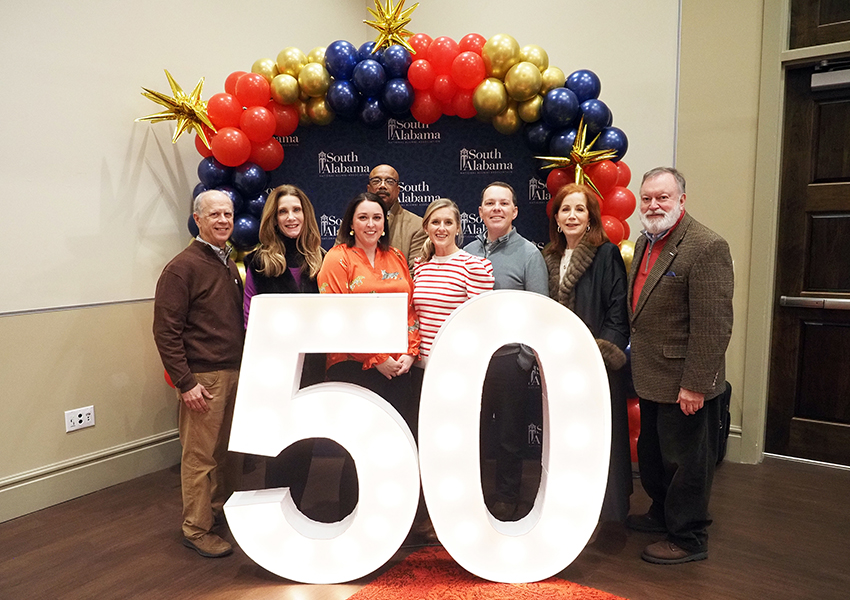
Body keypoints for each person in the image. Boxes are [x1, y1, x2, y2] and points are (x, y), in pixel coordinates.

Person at [626, 167, 733, 565]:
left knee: (687, 461)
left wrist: (696, 384)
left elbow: (714, 324)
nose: (654, 205)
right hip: (651, 374)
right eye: (648, 198)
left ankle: (689, 536)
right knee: (654, 454)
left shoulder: (706, 246)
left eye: (663, 198)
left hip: (683, 380)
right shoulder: (645, 242)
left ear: (682, 201)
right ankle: (662, 513)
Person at [153, 190, 245, 558]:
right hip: (203, 380)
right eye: (214, 215)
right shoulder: (182, 268)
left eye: (228, 214)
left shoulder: (226, 262)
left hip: (232, 372)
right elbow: (165, 331)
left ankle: (215, 512)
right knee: (200, 458)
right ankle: (195, 528)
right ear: (198, 219)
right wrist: (186, 383)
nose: (223, 220)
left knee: (223, 454)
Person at [318, 192, 421, 518]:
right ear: (351, 222)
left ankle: (392, 515)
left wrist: (410, 352)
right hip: (353, 366)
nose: (371, 224)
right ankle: (352, 513)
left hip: (398, 367)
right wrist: (378, 359)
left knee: (396, 443)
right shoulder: (338, 258)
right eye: (363, 217)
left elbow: (410, 311)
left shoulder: (396, 257)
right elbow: (336, 318)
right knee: (360, 445)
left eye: (377, 217)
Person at [542, 183, 632, 523]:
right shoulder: (549, 257)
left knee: (600, 439)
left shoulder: (606, 254)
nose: (572, 216)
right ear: (557, 217)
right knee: (567, 438)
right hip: (561, 367)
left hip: (597, 365)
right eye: (565, 209)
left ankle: (606, 514)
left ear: (591, 217)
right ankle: (569, 507)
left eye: (579, 209)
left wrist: (597, 355)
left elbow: (617, 313)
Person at [464, 181, 548, 521]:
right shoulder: (467, 252)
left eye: (504, 203)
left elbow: (540, 310)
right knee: (473, 432)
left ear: (514, 211)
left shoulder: (529, 254)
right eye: (489, 203)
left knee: (511, 436)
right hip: (472, 363)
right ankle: (473, 494)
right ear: (481, 211)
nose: (496, 208)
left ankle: (507, 496)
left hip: (509, 361)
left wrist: (524, 359)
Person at [243, 184, 324, 513]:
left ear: (306, 215)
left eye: (296, 210)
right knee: (277, 447)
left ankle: (299, 511)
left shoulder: (321, 260)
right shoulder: (259, 263)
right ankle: (274, 514)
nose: (291, 217)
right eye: (283, 212)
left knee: (305, 443)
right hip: (274, 369)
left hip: (314, 369)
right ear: (273, 220)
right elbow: (250, 316)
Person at [367, 164, 428, 271]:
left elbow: (416, 273)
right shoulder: (352, 223)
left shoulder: (417, 226)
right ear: (368, 188)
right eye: (376, 181)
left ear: (398, 190)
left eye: (389, 181)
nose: (382, 185)